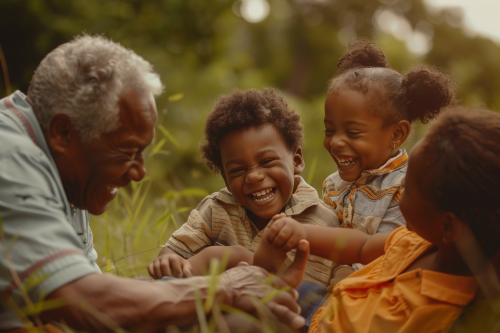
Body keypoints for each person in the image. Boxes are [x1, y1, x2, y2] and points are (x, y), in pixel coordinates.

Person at [0, 35, 306, 332]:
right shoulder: (10, 157)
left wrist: (224, 289)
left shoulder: (63, 168)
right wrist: (222, 289)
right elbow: (83, 300)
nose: (140, 172)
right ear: (64, 132)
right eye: (128, 152)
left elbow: (95, 294)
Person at [254, 106, 500, 332]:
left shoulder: (438, 315)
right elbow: (361, 246)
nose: (399, 191)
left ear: (448, 226)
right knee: (246, 287)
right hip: (324, 305)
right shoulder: (418, 243)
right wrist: (303, 233)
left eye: (408, 189)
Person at [148, 87, 340, 288]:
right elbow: (174, 253)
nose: (254, 177)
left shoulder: (324, 220)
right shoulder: (216, 209)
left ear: (296, 161)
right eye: (238, 170)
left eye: (267, 161)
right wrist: (168, 261)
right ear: (225, 177)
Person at [321, 38, 453, 278]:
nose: (336, 142)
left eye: (353, 132)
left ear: (397, 134)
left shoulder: (407, 189)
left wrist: (343, 274)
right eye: (329, 130)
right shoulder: (332, 185)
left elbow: (393, 253)